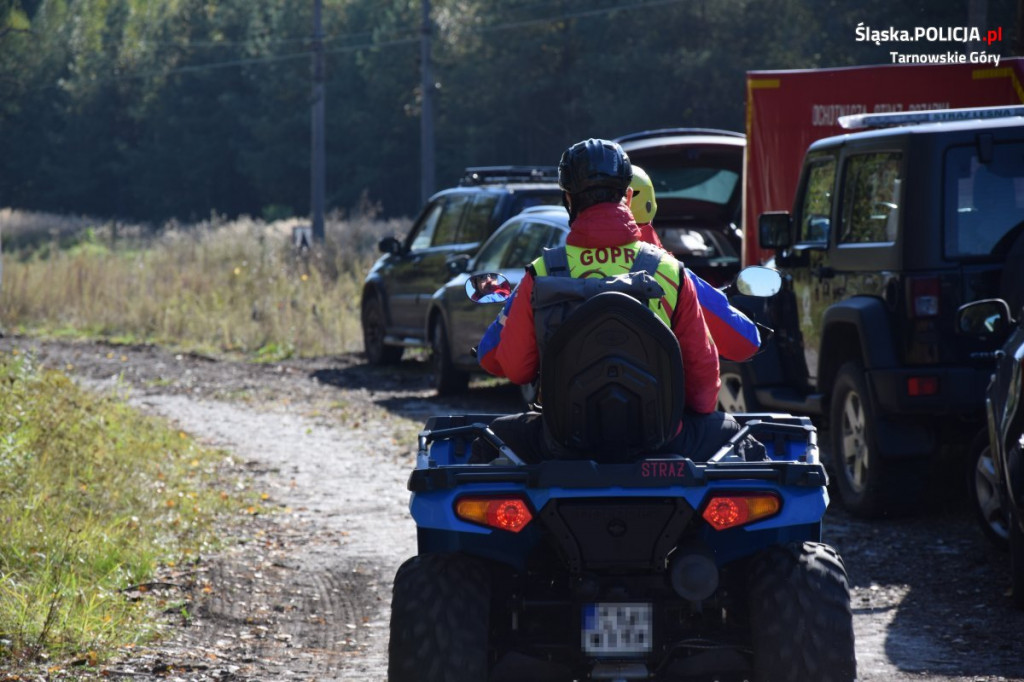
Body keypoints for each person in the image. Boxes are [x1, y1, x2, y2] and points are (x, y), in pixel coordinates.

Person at [477, 138, 759, 463]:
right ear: (627, 196)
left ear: (567, 199)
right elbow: (702, 381)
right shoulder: (670, 271)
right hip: (663, 442)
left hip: (563, 444)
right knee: (738, 439)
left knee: (489, 444)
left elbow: (515, 369)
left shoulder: (541, 272)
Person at [627, 165, 761, 363]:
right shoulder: (670, 272)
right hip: (655, 392)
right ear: (649, 205)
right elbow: (745, 344)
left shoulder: (564, 266)